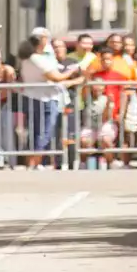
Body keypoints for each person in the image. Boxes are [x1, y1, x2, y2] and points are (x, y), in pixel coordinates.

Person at [19, 30, 82, 169]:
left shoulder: (29, 58)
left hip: (35, 97)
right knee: (43, 133)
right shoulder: (37, 59)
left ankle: (34, 163)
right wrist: (72, 71)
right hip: (44, 99)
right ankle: (34, 163)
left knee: (36, 132)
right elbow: (56, 77)